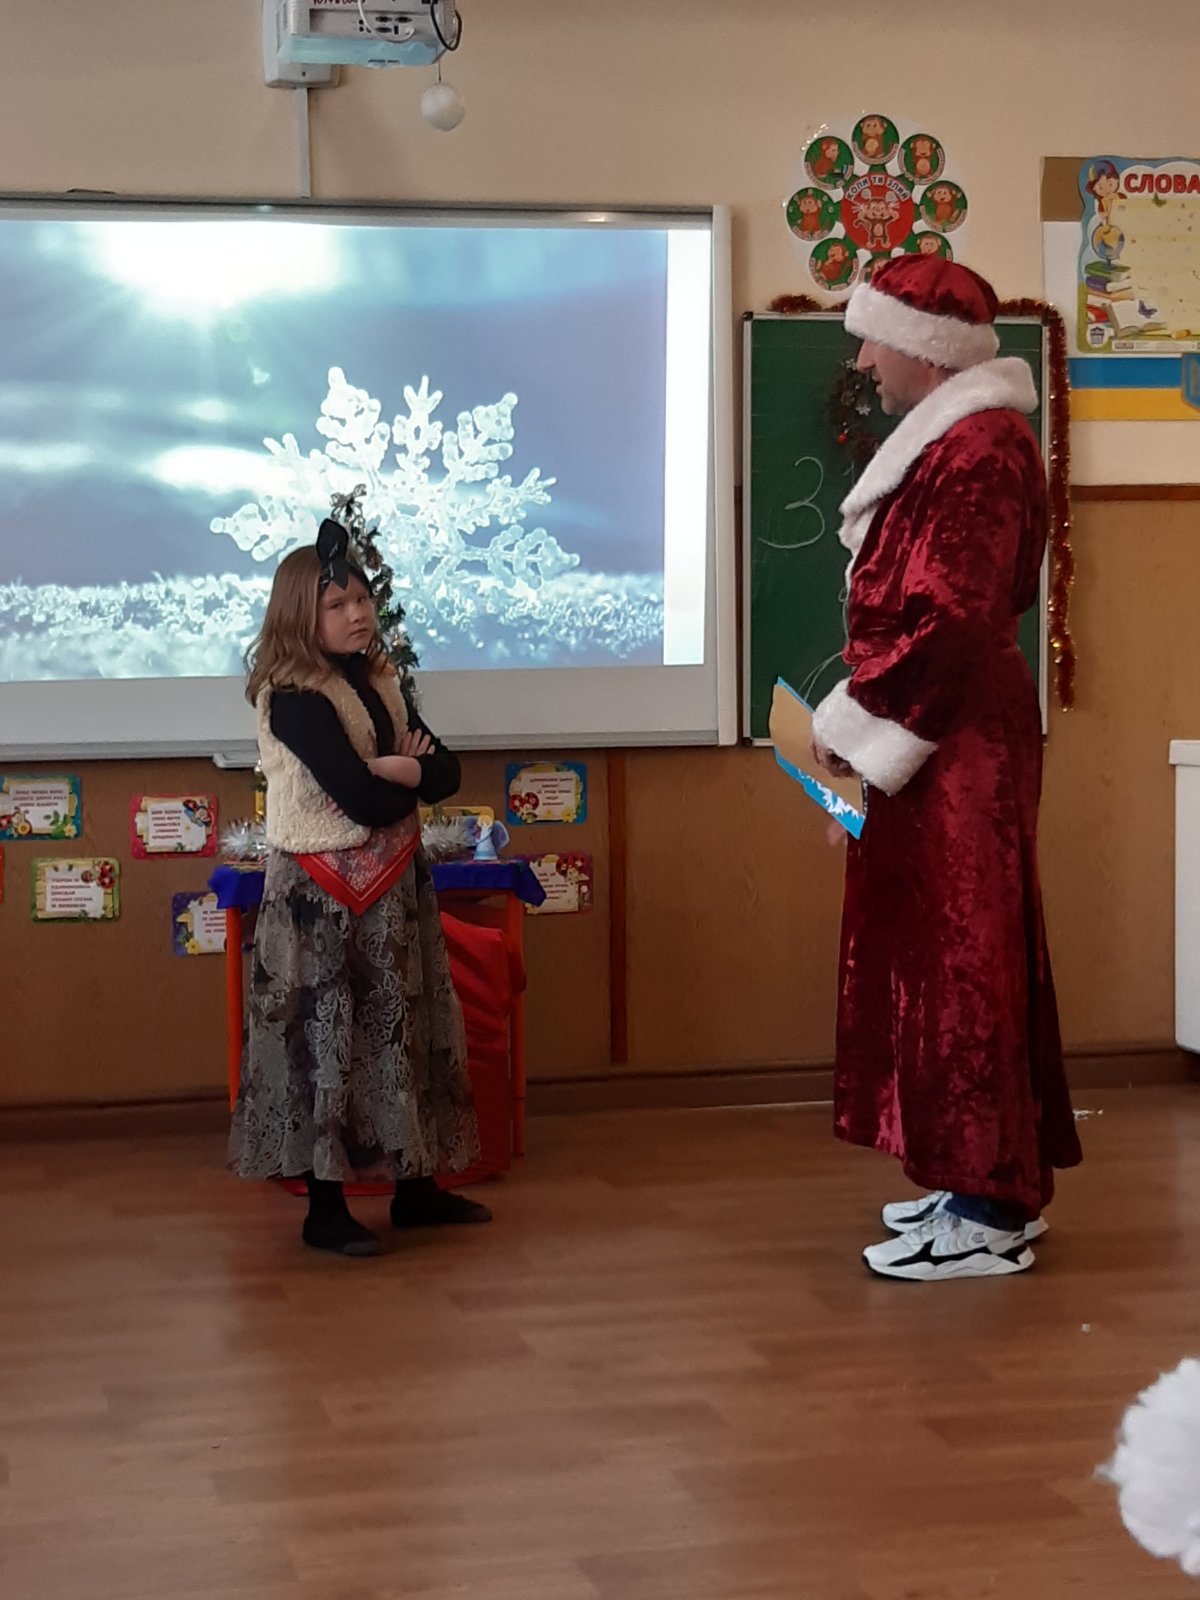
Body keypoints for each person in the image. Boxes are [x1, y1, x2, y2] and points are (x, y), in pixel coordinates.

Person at [810, 254, 1082, 1281]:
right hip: (941, 731)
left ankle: (986, 1203)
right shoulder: (958, 440)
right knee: (937, 953)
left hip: (955, 737)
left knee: (965, 957)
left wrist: (860, 719)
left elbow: (955, 618)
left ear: (922, 350)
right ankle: (974, 1177)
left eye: (872, 343)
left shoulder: (981, 449)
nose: (863, 364)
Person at [229, 516, 489, 1257]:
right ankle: (325, 1208)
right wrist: (405, 776)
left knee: (406, 1033)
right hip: (320, 903)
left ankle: (416, 1189)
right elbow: (359, 798)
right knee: (327, 1044)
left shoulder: (381, 682)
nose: (358, 614)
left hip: (392, 891)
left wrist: (403, 768)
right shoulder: (293, 696)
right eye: (337, 605)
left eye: (363, 600)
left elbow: (445, 772)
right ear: (300, 616)